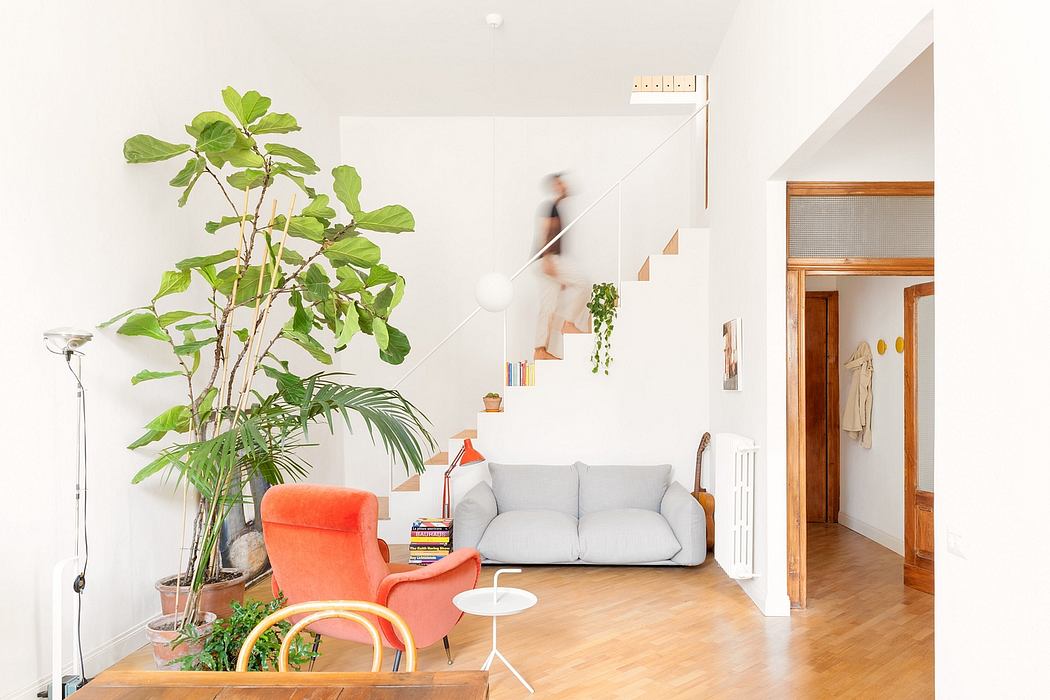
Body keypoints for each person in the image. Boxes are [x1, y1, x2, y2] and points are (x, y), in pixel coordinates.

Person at [534, 173, 590, 360]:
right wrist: (548, 258)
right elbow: (546, 232)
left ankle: (540, 350)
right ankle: (568, 324)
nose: (564, 186)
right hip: (548, 259)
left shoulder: (556, 207)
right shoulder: (551, 208)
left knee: (548, 306)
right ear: (555, 187)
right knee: (584, 284)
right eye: (560, 184)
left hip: (546, 262)